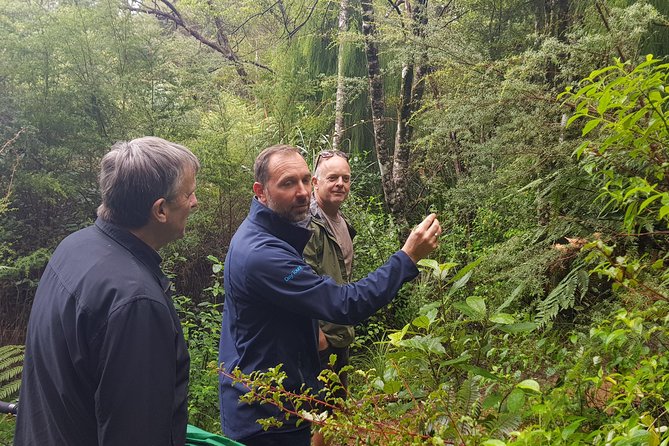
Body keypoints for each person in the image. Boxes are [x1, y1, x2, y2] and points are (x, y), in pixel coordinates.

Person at [218, 144, 441, 446]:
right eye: (287, 183)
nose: (301, 192)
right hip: (266, 414)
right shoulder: (263, 253)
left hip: (279, 393)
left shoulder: (276, 231)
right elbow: (342, 303)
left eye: (303, 180)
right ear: (260, 191)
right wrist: (407, 257)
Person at [14, 137, 199, 446]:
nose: (195, 202)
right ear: (161, 210)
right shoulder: (134, 303)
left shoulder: (74, 247)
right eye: (189, 193)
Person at [302, 150, 355, 446]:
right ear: (315, 182)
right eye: (332, 177)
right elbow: (301, 281)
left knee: (335, 409)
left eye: (345, 178)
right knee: (317, 413)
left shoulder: (340, 221)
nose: (340, 184)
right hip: (322, 336)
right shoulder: (311, 224)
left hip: (339, 330)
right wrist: (315, 331)